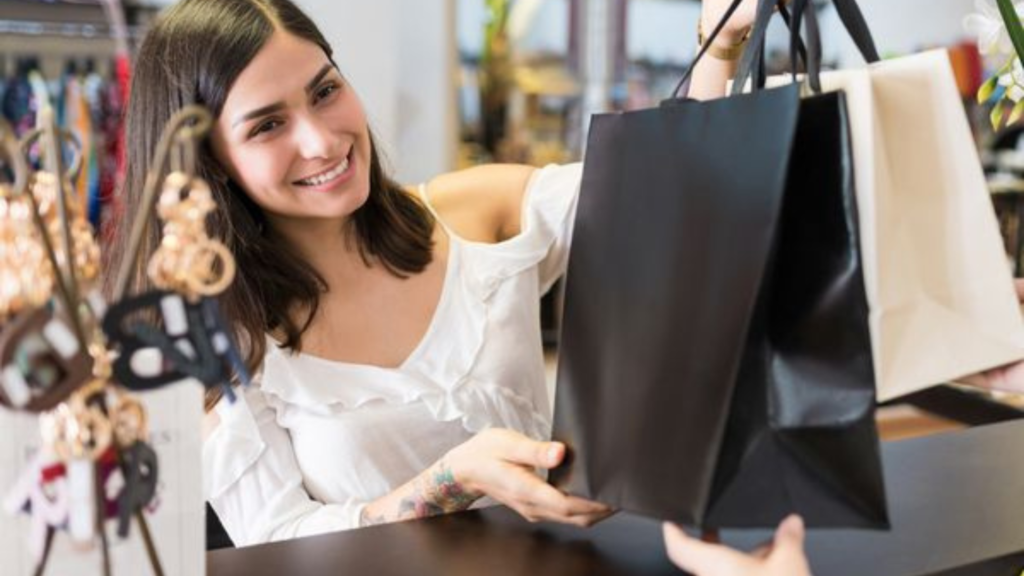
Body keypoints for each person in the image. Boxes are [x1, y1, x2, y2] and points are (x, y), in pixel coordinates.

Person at [106, 0, 761, 547]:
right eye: (268, 125)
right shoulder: (214, 338)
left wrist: (722, 40)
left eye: (326, 91)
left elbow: (673, 203)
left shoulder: (481, 214)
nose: (323, 140)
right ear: (211, 161)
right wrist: (450, 481)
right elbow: (276, 543)